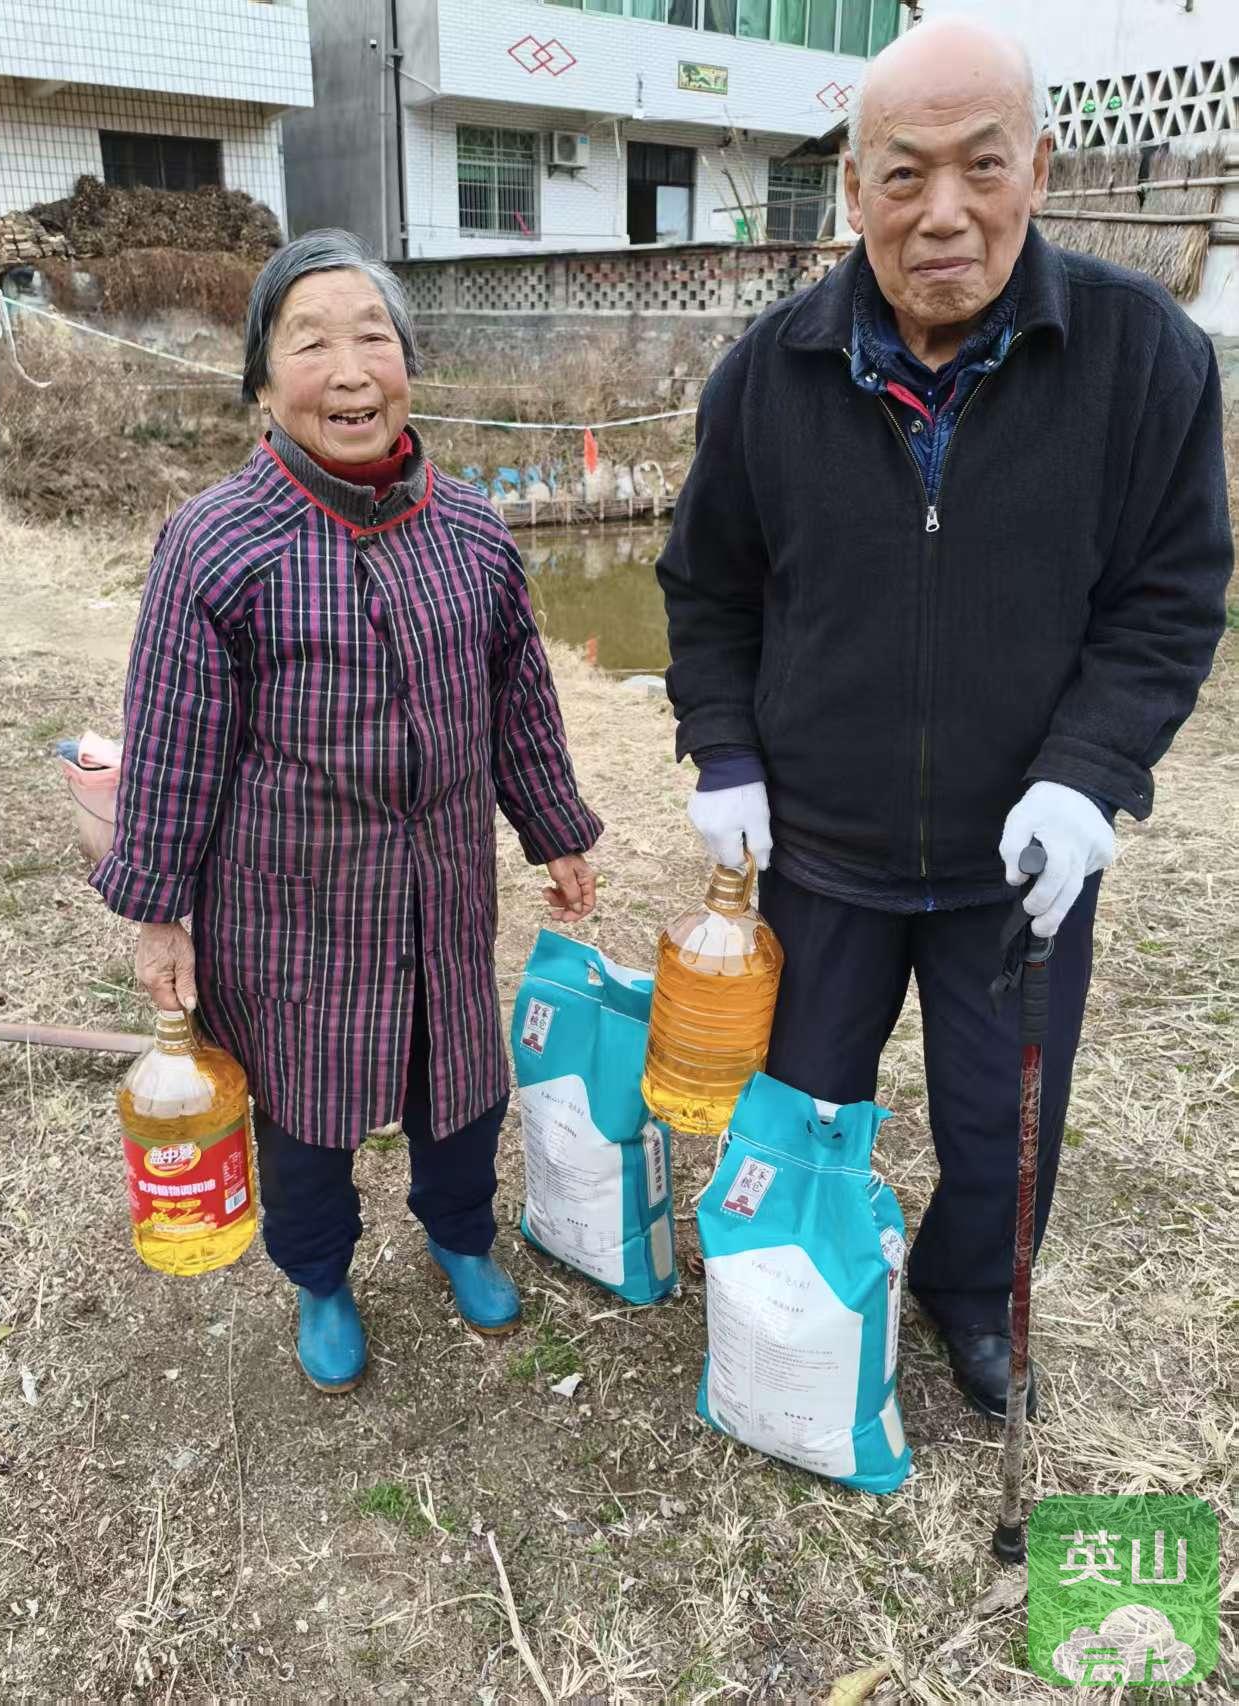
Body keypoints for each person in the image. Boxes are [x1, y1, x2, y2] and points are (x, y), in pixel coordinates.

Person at [658, 19, 1231, 1421]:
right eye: (902, 174)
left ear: (1037, 168)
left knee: (1002, 1126)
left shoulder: (1142, 357)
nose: (942, 212)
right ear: (852, 189)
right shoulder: (768, 371)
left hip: (1016, 861)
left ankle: (971, 1295)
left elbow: (1167, 598)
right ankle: (798, 1282)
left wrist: (1086, 777)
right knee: (804, 1103)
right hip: (821, 850)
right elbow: (707, 587)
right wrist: (723, 748)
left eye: (981, 165)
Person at [93, 229, 602, 1393]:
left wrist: (555, 828)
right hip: (287, 908)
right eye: (310, 343)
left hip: (441, 887)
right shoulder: (215, 543)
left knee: (458, 1080)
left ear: (407, 366)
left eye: (374, 337)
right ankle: (320, 1274)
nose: (350, 370)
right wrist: (158, 914)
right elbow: (170, 741)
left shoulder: (471, 528)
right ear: (263, 383)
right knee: (302, 1112)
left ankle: (459, 1230)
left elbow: (519, 697)